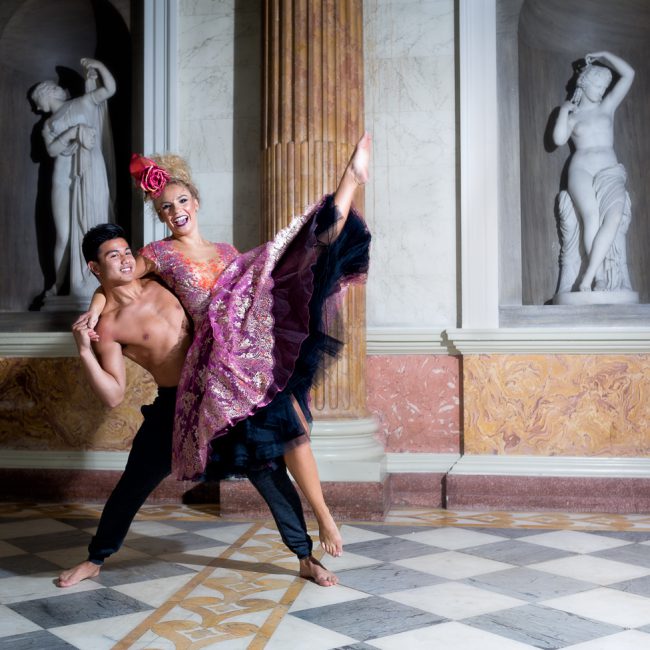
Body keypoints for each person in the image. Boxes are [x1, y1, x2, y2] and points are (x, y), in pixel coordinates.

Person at [82, 133, 372, 558]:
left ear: (195, 203)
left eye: (182, 202)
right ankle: (98, 556)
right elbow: (118, 276)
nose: (176, 211)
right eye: (166, 207)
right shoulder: (157, 254)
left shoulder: (225, 250)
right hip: (217, 366)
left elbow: (243, 288)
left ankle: (348, 182)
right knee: (264, 454)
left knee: (296, 255)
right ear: (160, 217)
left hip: (249, 347)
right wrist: (94, 305)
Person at [58, 223, 338, 588]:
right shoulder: (108, 326)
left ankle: (304, 557)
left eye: (127, 251)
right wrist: (83, 348)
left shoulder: (161, 281)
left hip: (217, 390)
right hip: (175, 405)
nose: (126, 260)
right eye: (114, 256)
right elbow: (112, 395)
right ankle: (96, 558)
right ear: (95, 268)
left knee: (266, 469)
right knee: (134, 483)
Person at [31, 58, 116, 299]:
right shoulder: (48, 124)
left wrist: (99, 66)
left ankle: (94, 280)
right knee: (64, 235)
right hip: (62, 179)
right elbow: (52, 151)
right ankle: (57, 285)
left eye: (37, 101)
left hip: (91, 172)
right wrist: (73, 132)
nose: (36, 107)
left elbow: (109, 89)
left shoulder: (84, 101)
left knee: (92, 227)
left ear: (46, 94)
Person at [552, 51, 635, 293]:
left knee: (615, 217)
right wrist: (562, 112)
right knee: (591, 217)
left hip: (610, 169)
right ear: (584, 83)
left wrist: (605, 55)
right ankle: (598, 279)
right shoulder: (573, 115)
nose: (601, 89)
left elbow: (629, 74)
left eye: (605, 85)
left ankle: (587, 276)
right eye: (597, 84)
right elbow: (558, 139)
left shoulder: (607, 106)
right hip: (581, 168)